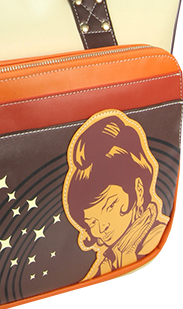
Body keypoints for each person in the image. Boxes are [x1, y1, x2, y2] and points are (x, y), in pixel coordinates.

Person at [63, 109, 169, 281]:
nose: (101, 229)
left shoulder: (152, 238)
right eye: (91, 222)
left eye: (110, 206)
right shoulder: (109, 258)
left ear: (139, 190)